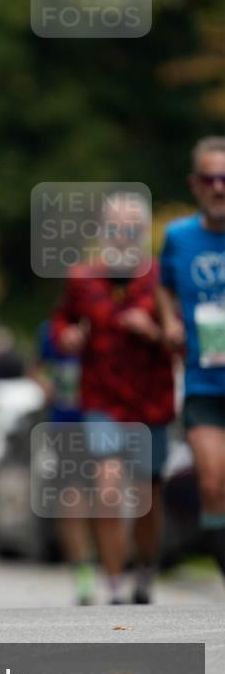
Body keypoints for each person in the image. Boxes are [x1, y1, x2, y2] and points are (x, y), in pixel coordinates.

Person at [53, 194, 175, 603]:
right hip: (101, 401)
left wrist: (153, 332)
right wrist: (68, 336)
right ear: (104, 232)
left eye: (130, 229)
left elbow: (183, 340)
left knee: (147, 497)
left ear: (142, 233)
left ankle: (145, 568)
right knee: (107, 491)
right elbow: (61, 322)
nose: (122, 236)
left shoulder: (161, 279)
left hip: (151, 402)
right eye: (115, 228)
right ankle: (115, 583)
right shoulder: (82, 278)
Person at [157, 136, 225, 578]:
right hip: (203, 382)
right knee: (213, 483)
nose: (218, 187)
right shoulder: (178, 237)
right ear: (194, 184)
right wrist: (169, 321)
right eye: (209, 179)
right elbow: (164, 286)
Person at [28, 318, 95, 604]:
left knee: (106, 498)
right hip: (64, 427)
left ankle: (114, 570)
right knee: (71, 498)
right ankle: (83, 572)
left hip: (105, 423)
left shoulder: (108, 323)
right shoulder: (51, 329)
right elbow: (34, 368)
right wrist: (45, 384)